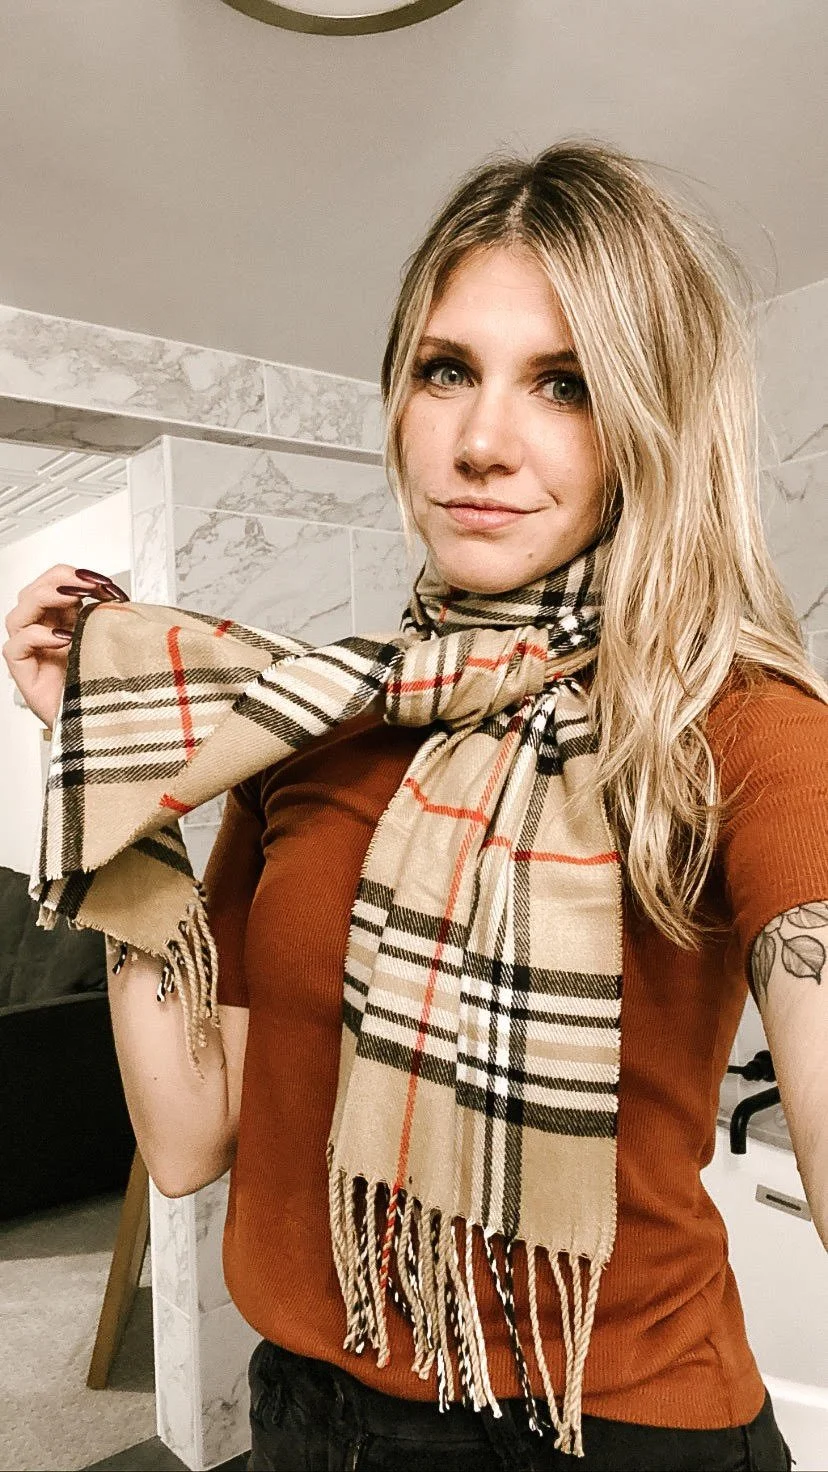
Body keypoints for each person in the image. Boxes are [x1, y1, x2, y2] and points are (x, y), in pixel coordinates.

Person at [4, 139, 826, 1472]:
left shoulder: (738, 721)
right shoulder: (314, 722)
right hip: (308, 1421)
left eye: (564, 383)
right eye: (447, 370)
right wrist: (103, 764)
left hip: (610, 1432)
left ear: (650, 426)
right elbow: (186, 1139)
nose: (482, 442)